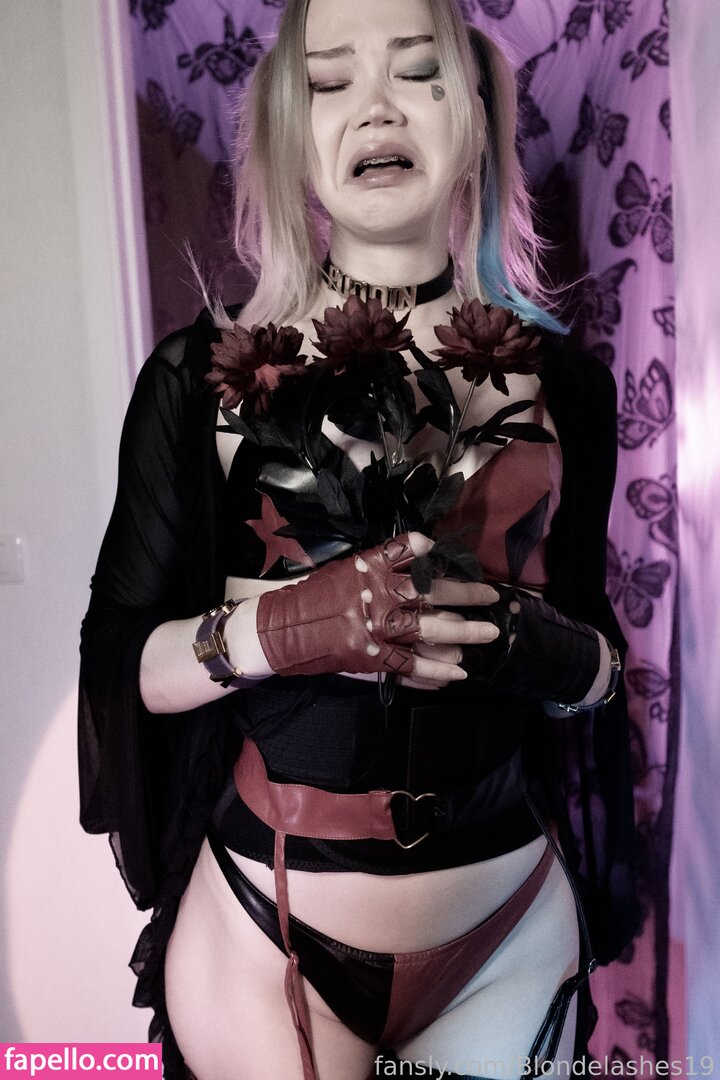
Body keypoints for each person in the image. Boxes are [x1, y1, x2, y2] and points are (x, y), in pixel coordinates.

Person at [78, 0, 639, 1077]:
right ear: (291, 135)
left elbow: (602, 660)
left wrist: (539, 649)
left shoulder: (567, 385)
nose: (376, 106)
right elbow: (120, 663)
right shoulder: (200, 381)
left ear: (475, 116)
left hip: (509, 934)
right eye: (329, 81)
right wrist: (281, 630)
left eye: (418, 71)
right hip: (269, 936)